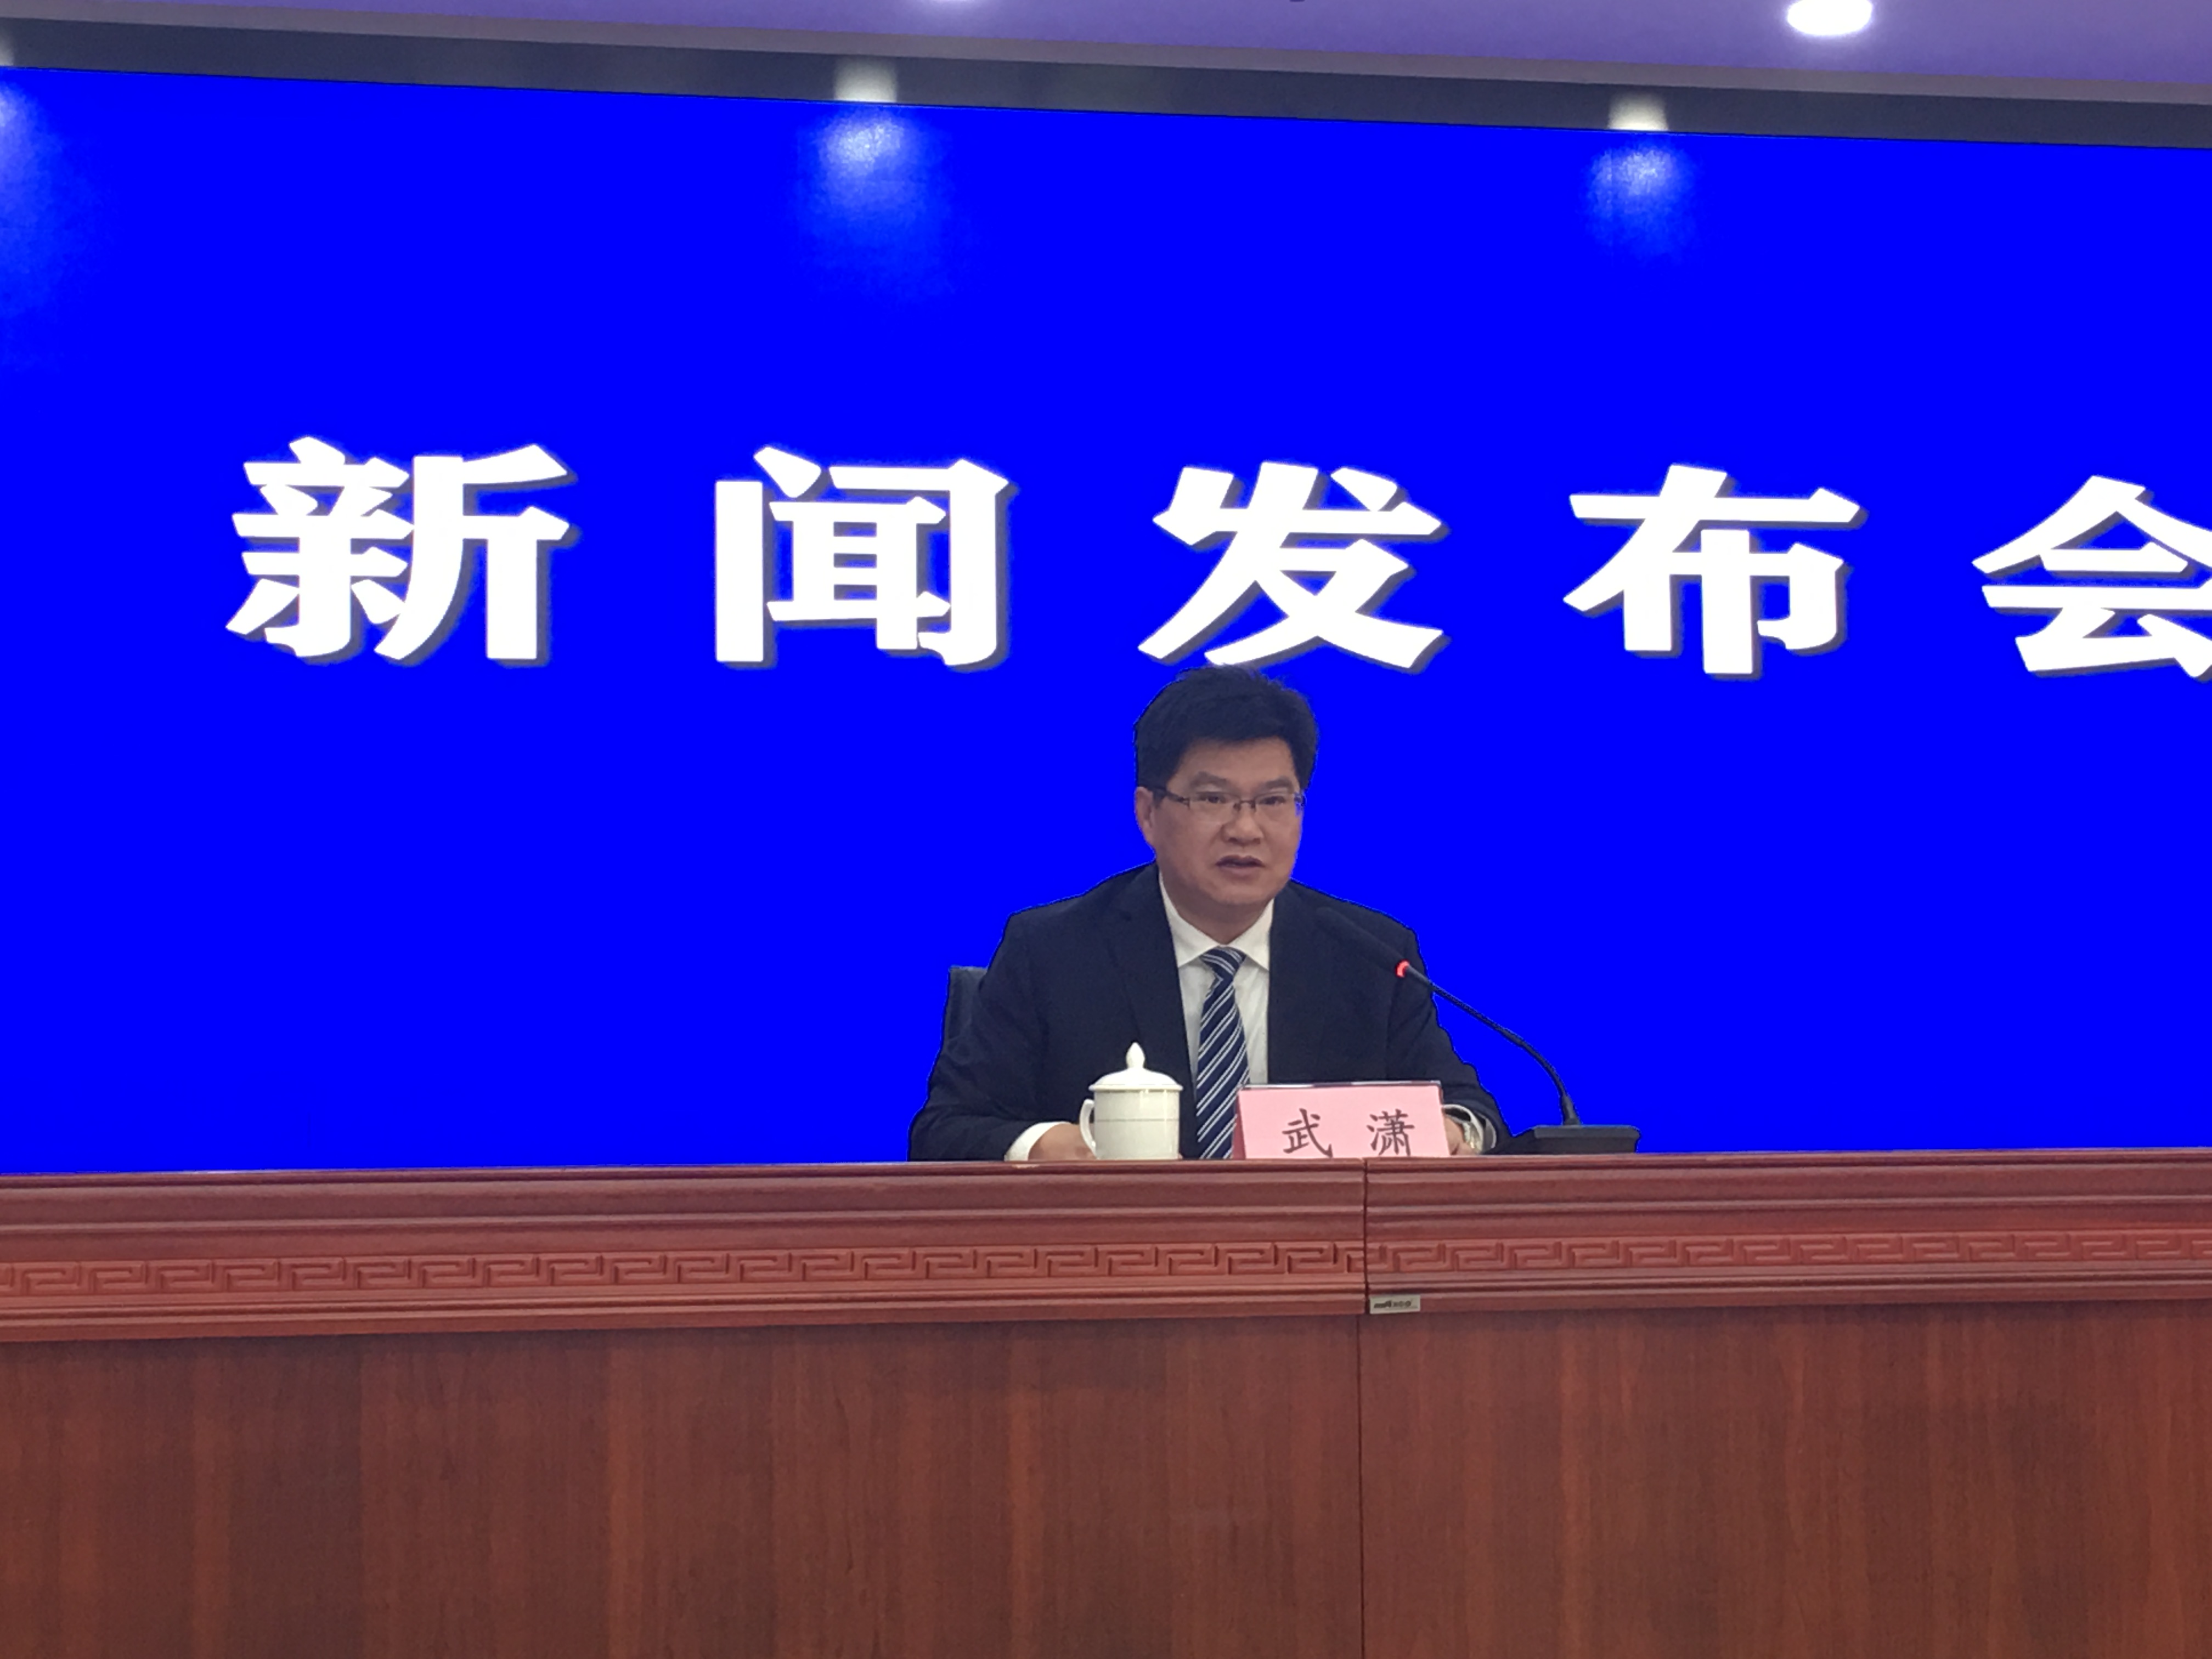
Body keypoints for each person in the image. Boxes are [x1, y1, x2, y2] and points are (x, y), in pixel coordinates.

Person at [910, 667, 1505, 1161]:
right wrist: (1045, 1145)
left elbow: (1471, 1111)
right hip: (1125, 1255)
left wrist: (1453, 1133)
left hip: (1316, 1256)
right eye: (1213, 799)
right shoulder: (1054, 951)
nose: (1246, 828)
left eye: (1273, 801)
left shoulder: (1370, 955)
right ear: (1148, 814)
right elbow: (944, 1129)